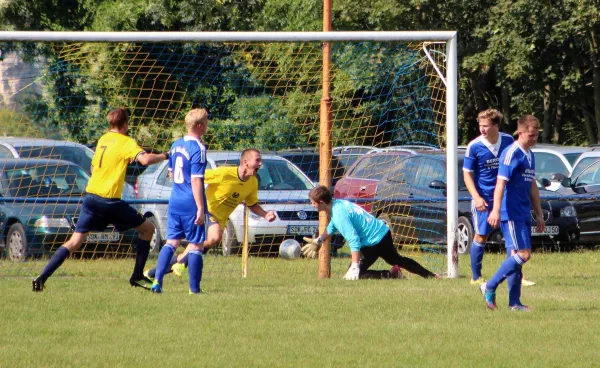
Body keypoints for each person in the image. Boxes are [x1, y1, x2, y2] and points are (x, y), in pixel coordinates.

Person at [32, 107, 169, 292]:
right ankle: (137, 276)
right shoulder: (125, 141)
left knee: (74, 242)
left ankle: (42, 276)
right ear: (125, 124)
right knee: (148, 229)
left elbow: (93, 165)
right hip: (109, 201)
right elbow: (144, 160)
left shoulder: (103, 139)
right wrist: (165, 156)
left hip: (91, 198)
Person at [145, 148, 277, 280]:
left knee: (198, 248)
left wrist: (265, 214)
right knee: (214, 238)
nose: (260, 164)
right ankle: (182, 265)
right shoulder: (224, 173)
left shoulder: (253, 182)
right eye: (257, 160)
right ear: (246, 162)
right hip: (206, 211)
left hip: (220, 219)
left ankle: (153, 273)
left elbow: (252, 204)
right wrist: (179, 176)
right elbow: (198, 177)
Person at [301, 185, 438, 280]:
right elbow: (332, 226)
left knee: (357, 275)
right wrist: (319, 240)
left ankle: (391, 276)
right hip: (383, 233)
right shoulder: (338, 204)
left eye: (312, 203)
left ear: (320, 202)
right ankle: (431, 276)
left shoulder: (338, 214)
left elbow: (353, 240)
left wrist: (355, 266)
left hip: (373, 242)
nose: (312, 205)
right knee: (397, 260)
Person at [482, 115, 544, 311]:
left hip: (524, 212)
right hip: (511, 213)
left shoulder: (530, 155)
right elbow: (500, 184)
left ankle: (514, 303)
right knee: (524, 255)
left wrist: (539, 213)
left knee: (516, 257)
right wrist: (495, 210)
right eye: (531, 135)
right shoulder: (511, 153)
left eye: (536, 135)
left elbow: (532, 185)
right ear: (521, 132)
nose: (534, 139)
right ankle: (489, 285)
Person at [149, 108, 210, 294]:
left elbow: (170, 172)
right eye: (206, 122)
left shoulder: (176, 145)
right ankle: (194, 289)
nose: (207, 126)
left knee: (172, 241)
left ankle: (157, 282)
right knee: (196, 244)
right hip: (191, 201)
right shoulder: (198, 148)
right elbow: (196, 179)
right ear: (199, 126)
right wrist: (200, 207)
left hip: (174, 199)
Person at [463, 109, 514, 285]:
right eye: (480, 125)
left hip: (506, 196)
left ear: (495, 126)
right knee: (481, 235)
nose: (481, 129)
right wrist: (476, 197)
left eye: (485, 126)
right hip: (484, 198)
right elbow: (467, 174)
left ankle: (516, 276)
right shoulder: (474, 146)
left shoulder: (508, 141)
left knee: (511, 236)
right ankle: (476, 277)